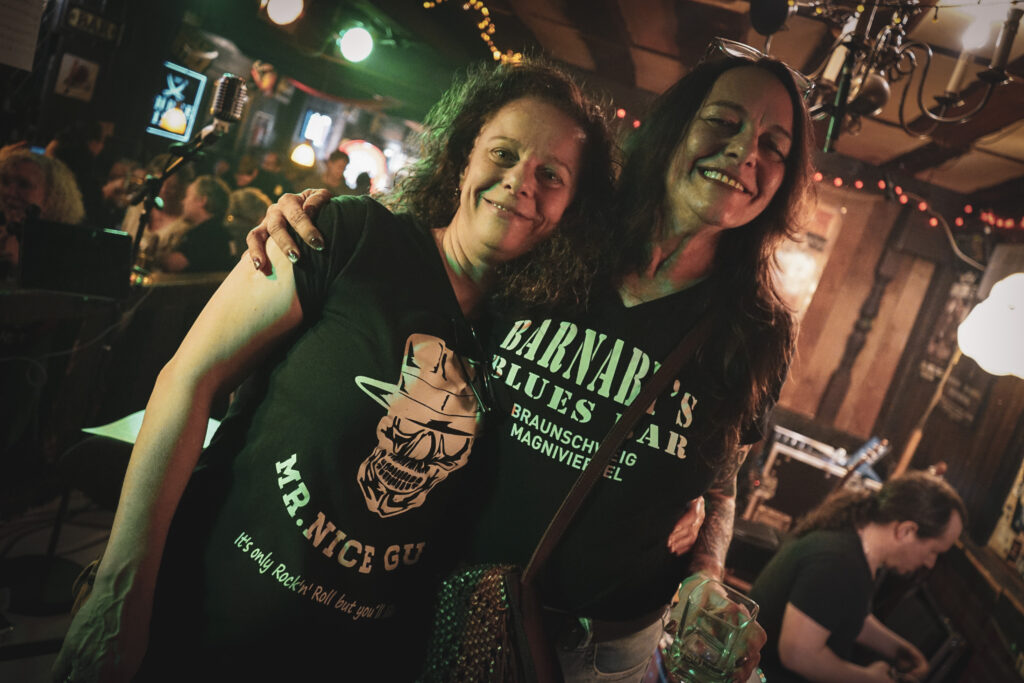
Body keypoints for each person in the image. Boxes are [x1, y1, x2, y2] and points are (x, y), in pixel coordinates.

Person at [247, 39, 815, 682]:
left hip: (599, 656)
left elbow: (721, 479)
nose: (745, 153)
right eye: (723, 122)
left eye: (775, 146)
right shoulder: (564, 235)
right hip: (440, 604)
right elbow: (433, 254)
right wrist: (315, 219)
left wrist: (707, 569)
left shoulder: (757, 331)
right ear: (674, 127)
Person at [53, 57, 619, 682]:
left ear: (573, 207)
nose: (519, 181)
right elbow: (189, 380)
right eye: (504, 153)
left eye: (551, 174)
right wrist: (120, 588)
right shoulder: (347, 236)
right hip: (194, 633)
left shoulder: (535, 345)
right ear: (465, 157)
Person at [750, 471, 966, 683]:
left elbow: (841, 612)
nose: (930, 562)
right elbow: (797, 654)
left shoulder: (853, 541)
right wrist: (869, 679)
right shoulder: (839, 562)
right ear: (907, 531)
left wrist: (899, 649)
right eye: (933, 551)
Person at [0, 147, 85, 277]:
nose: (9, 192)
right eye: (5, 182)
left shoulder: (69, 250)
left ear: (54, 195)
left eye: (23, 184)